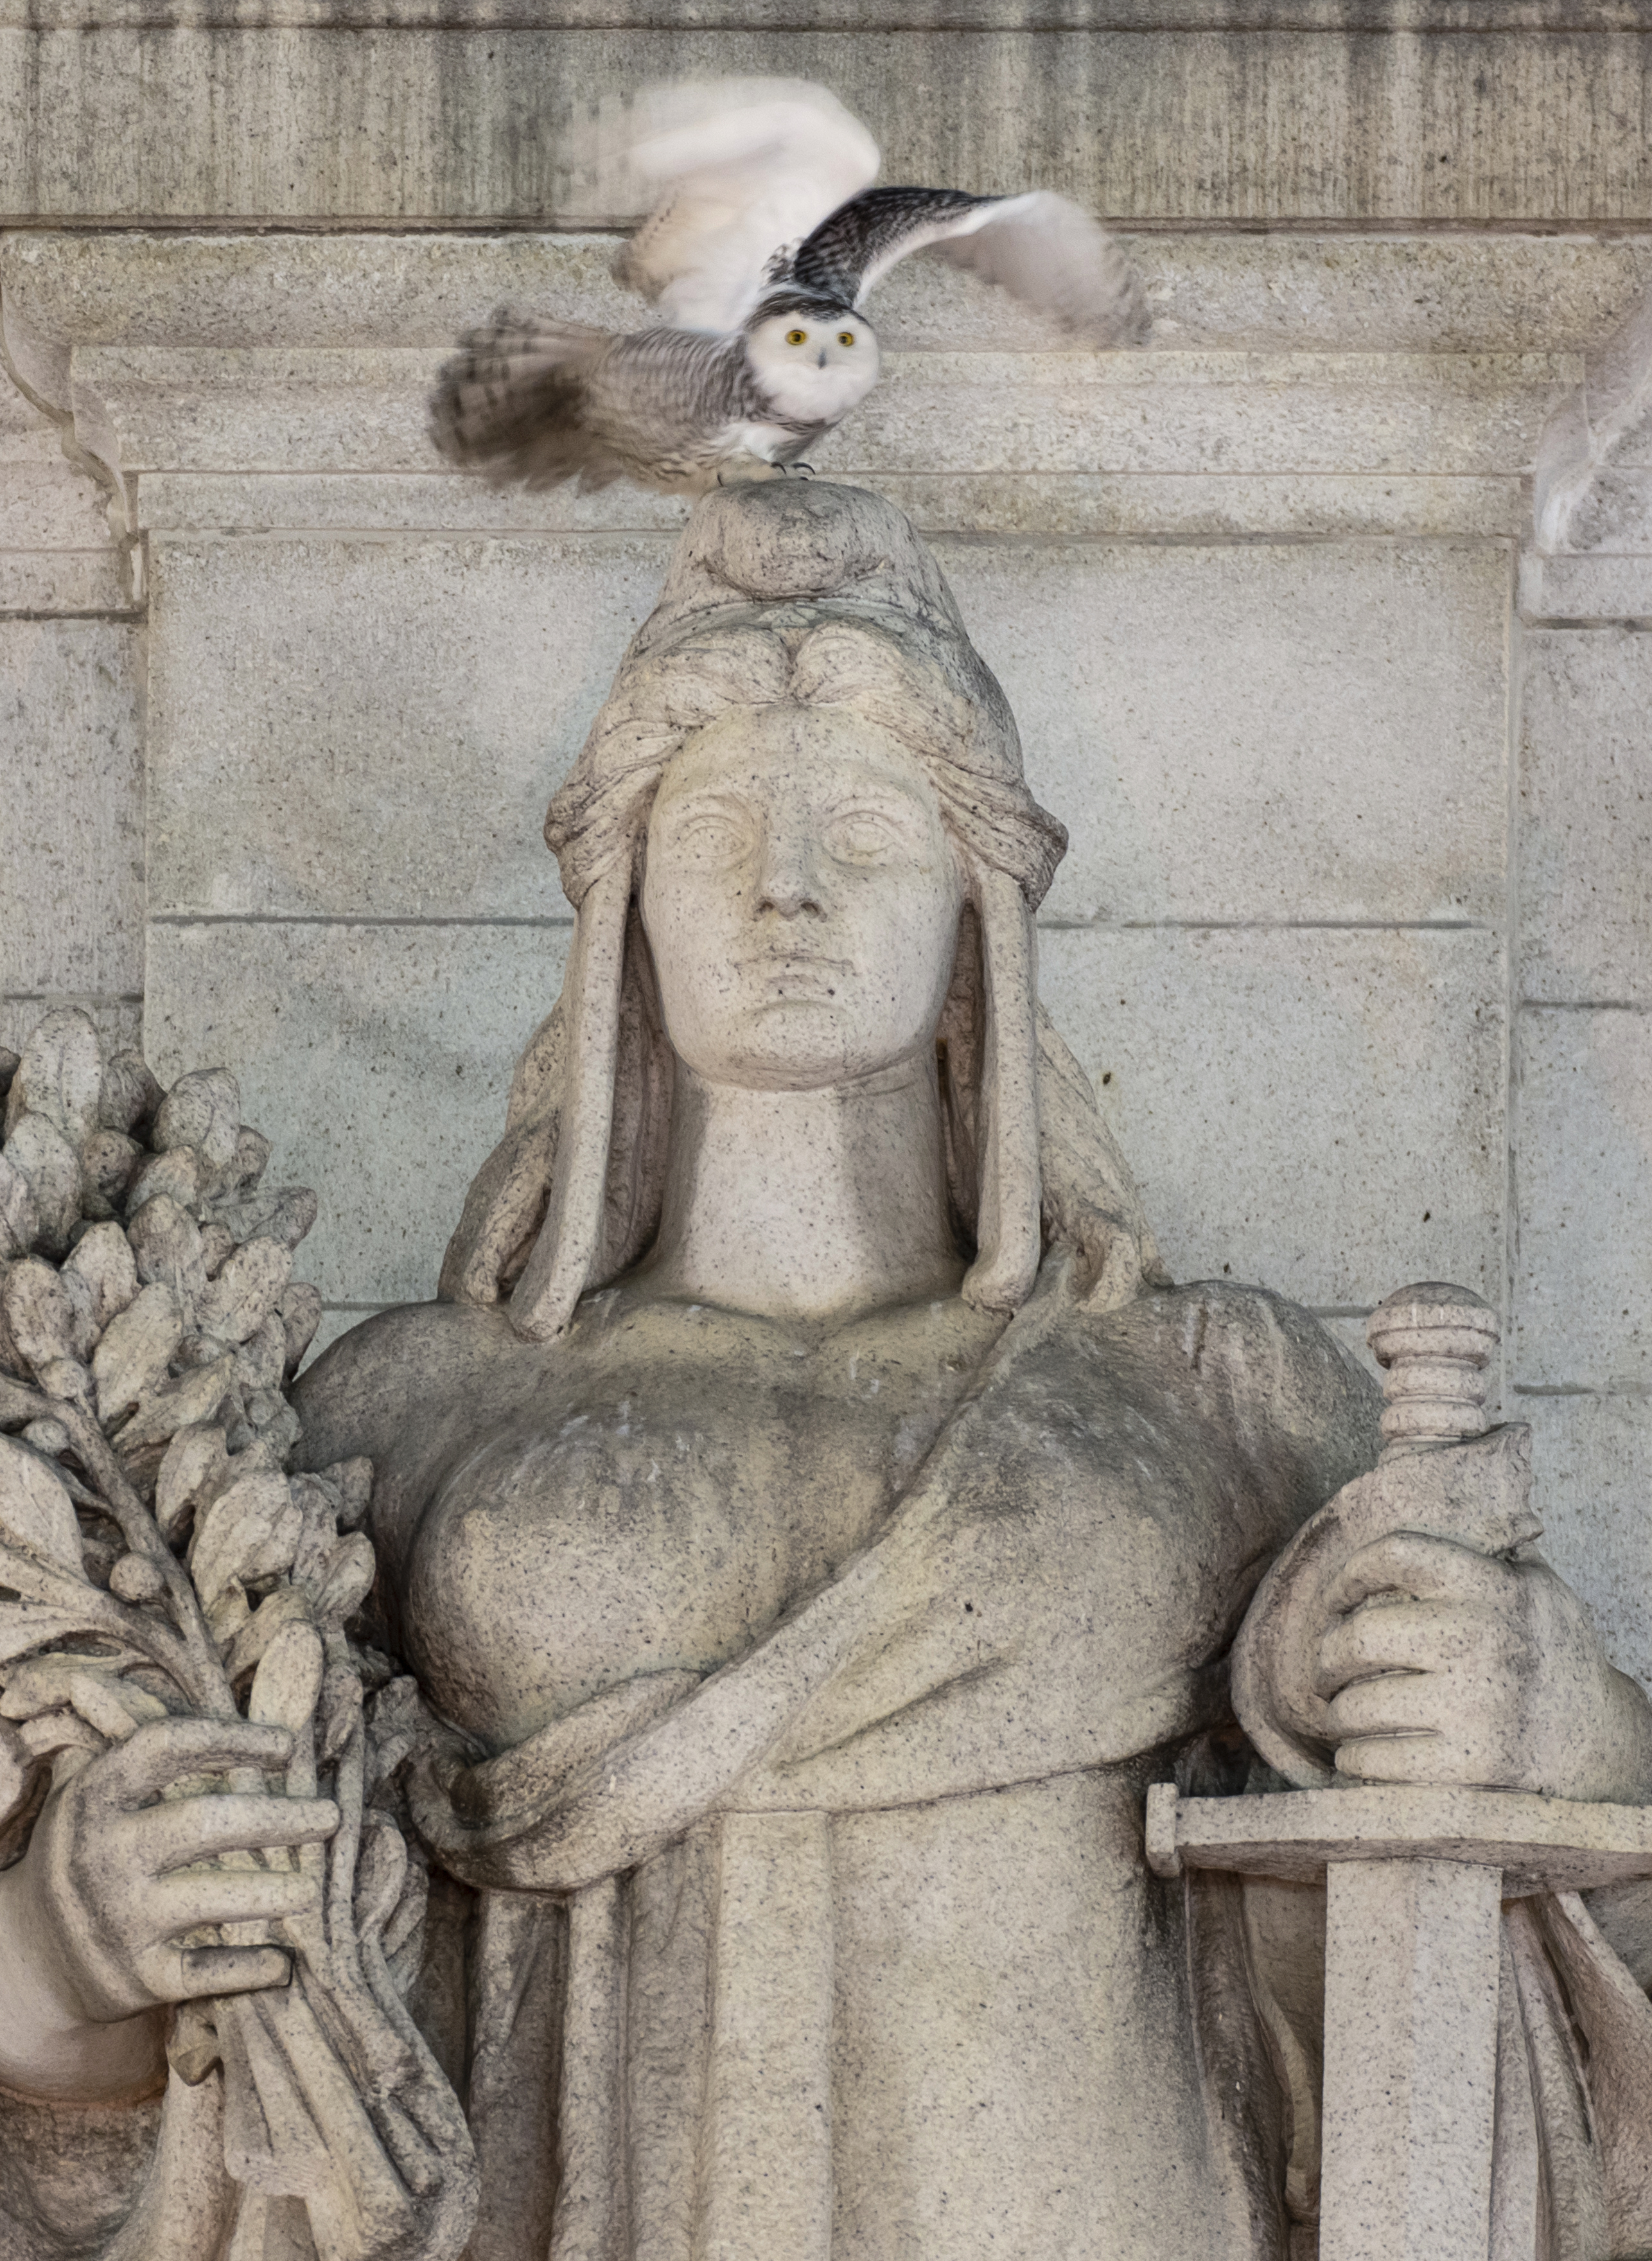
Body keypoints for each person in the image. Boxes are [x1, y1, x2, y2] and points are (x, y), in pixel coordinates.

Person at [4, 480, 1651, 2261]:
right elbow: (186, 2093)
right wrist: (58, 1961)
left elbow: (1529, 1980)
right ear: (618, 905)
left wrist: (1572, 1740)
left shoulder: (1220, 1393)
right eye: (715, 834)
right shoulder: (387, 1420)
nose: (786, 890)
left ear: (976, 914)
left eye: (865, 833)